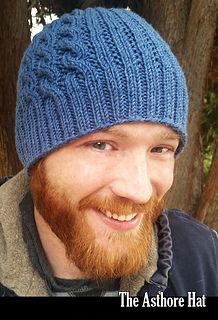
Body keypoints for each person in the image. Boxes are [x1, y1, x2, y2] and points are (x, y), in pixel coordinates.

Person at [0, 6, 217, 298]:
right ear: (38, 154)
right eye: (101, 145)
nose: (140, 191)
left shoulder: (203, 260)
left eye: (160, 148)